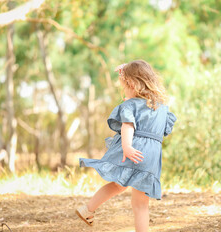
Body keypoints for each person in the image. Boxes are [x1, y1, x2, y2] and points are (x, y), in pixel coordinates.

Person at [76, 60, 177, 232]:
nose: (124, 92)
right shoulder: (162, 109)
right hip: (150, 159)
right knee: (140, 205)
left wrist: (127, 147)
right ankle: (88, 210)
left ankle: (88, 209)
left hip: (133, 150)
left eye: (124, 87)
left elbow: (128, 125)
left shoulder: (130, 105)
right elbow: (161, 133)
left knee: (118, 185)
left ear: (131, 84)